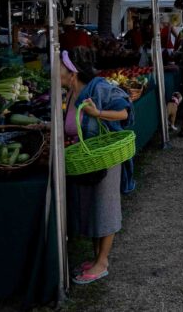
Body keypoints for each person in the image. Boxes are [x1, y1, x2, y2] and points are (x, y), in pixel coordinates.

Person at [61, 46, 131, 284]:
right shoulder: (70, 93)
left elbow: (123, 112)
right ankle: (95, 257)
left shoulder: (98, 87)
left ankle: (102, 262)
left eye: (60, 66)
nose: (55, 71)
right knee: (91, 209)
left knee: (104, 209)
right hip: (84, 160)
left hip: (104, 158)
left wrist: (97, 112)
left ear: (72, 71)